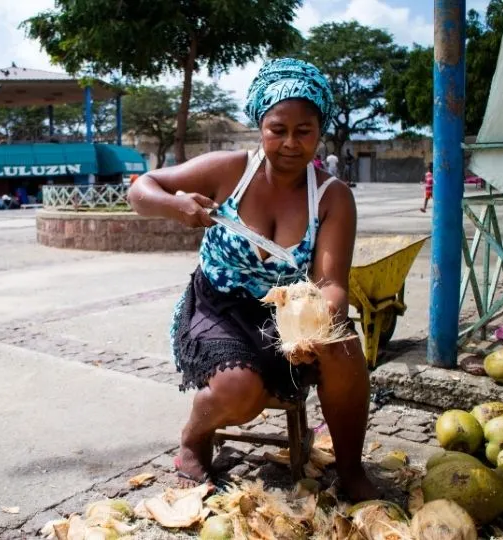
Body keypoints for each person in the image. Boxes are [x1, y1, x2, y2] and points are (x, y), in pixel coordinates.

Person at [128, 58, 377, 502]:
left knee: (343, 348)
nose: (289, 143)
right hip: (218, 308)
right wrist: (175, 206)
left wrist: (323, 320)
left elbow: (331, 282)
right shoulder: (230, 170)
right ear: (260, 125)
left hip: (288, 314)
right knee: (240, 392)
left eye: (304, 131)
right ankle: (193, 437)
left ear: (320, 132)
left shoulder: (332, 196)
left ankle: (351, 468)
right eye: (277, 129)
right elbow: (141, 188)